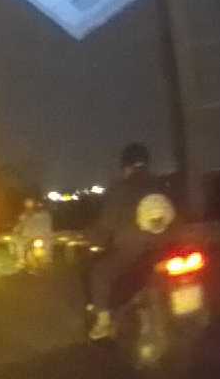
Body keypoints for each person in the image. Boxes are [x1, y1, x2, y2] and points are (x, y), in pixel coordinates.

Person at [86, 142, 179, 340]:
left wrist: (94, 239)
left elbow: (106, 225)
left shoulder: (120, 189)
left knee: (100, 273)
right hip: (166, 248)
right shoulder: (162, 185)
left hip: (131, 252)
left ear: (126, 167)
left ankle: (103, 322)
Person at [14, 197, 53, 270]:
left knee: (19, 244)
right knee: (48, 244)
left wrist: (16, 230)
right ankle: (47, 260)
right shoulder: (46, 214)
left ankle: (21, 261)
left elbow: (19, 225)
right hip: (43, 236)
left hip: (30, 236)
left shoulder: (26, 215)